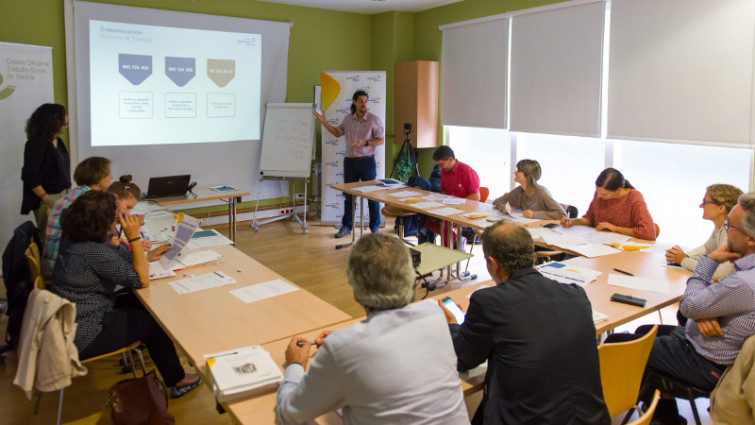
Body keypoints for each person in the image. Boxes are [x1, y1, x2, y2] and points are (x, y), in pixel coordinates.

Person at [276, 233, 468, 425]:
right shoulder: (435, 315)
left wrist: (295, 364)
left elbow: (289, 413)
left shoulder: (342, 349)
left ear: (356, 293)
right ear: (410, 280)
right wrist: (347, 340)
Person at [607, 192, 755, 424]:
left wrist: (709, 263)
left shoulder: (743, 283)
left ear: (751, 239)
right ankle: (665, 415)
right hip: (709, 348)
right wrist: (700, 313)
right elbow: (693, 309)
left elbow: (688, 306)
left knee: (618, 344)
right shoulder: (745, 274)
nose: (726, 231)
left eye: (730, 226)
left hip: (705, 362)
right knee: (644, 331)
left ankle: (621, 408)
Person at [440, 222, 610, 425]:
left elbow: (461, 359)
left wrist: (452, 325)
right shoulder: (576, 295)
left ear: (494, 264)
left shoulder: (489, 302)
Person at [49, 191, 202, 398]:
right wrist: (134, 237)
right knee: (154, 322)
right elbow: (141, 279)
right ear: (99, 223)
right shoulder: (94, 251)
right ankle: (178, 380)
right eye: (114, 219)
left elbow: (117, 261)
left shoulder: (74, 239)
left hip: (71, 320)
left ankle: (162, 360)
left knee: (140, 303)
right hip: (84, 333)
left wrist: (144, 255)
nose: (117, 223)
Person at [313, 91, 385, 237]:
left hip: (367, 162)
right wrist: (324, 122)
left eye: (365, 101)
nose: (363, 104)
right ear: (354, 102)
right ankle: (346, 227)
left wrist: (365, 143)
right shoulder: (348, 119)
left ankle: (374, 228)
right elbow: (337, 133)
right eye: (360, 101)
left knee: (372, 196)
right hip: (350, 162)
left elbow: (381, 140)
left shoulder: (373, 120)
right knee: (349, 197)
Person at [42, 156, 113, 275]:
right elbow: (94, 242)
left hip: (57, 259)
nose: (111, 177)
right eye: (109, 173)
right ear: (98, 177)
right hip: (62, 267)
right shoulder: (88, 200)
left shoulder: (79, 192)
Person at [665, 184, 743, 282]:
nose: (701, 205)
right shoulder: (721, 227)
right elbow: (707, 249)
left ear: (721, 208)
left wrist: (683, 260)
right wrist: (682, 255)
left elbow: (718, 273)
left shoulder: (733, 234)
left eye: (705, 202)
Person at [20, 103, 73, 238]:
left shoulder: (57, 141)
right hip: (48, 198)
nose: (67, 118)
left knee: (65, 237)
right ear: (54, 120)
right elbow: (29, 174)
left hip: (64, 195)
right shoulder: (37, 143)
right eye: (63, 116)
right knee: (50, 240)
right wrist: (45, 198)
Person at [561, 167, 656, 240]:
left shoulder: (634, 198)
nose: (599, 196)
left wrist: (614, 228)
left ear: (618, 190)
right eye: (597, 192)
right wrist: (573, 221)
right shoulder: (599, 195)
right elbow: (589, 219)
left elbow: (648, 233)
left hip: (623, 248)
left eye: (604, 194)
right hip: (600, 243)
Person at [426, 145, 480, 247]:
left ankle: (450, 251)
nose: (439, 168)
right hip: (451, 207)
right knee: (429, 220)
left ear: (450, 159)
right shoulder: (444, 171)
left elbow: (475, 196)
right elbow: (444, 191)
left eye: (441, 164)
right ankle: (458, 239)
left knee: (444, 225)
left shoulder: (467, 172)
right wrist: (442, 203)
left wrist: (458, 206)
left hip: (465, 209)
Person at [491, 159, 566, 220]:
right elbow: (497, 201)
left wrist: (534, 214)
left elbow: (562, 215)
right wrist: (504, 208)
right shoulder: (518, 191)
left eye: (518, 170)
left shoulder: (542, 192)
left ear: (527, 175)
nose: (515, 172)